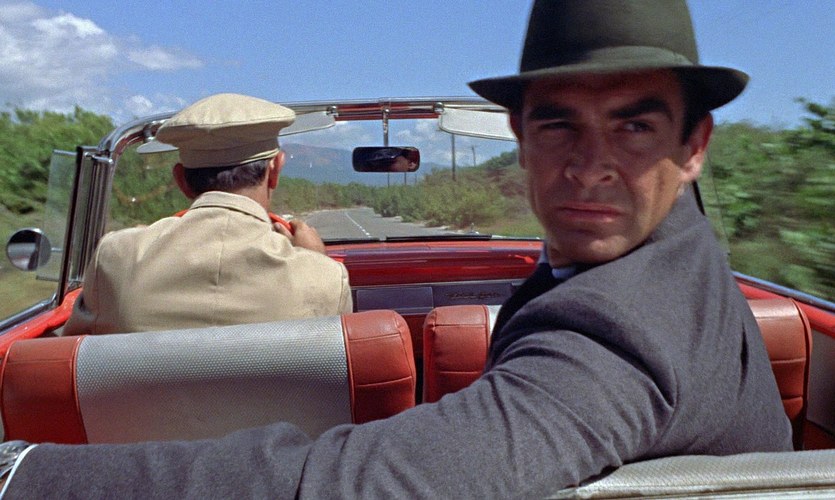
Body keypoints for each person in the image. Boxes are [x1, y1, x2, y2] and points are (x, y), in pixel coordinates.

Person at [0, 1, 791, 497]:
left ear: (693, 145)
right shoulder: (689, 259)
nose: (590, 166)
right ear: (519, 137)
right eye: (558, 125)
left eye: (634, 126)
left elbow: (380, 480)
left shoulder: (612, 325)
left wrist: (28, 471)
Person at [61, 93, 352, 335]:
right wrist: (314, 260)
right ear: (275, 171)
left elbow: (68, 358)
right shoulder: (324, 278)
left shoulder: (116, 258)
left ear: (181, 180)